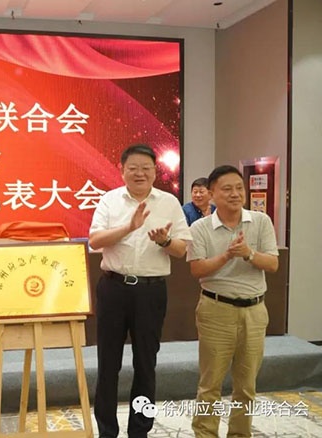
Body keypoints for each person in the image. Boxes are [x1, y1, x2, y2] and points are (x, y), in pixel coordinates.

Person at [89, 144, 192, 438]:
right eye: (133, 168)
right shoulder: (110, 200)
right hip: (113, 288)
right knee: (108, 364)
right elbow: (95, 241)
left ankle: (140, 431)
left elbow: (181, 249)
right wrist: (129, 227)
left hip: (150, 291)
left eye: (146, 168)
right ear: (122, 170)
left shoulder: (169, 202)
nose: (140, 173)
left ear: (155, 172)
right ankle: (107, 431)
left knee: (146, 364)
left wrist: (164, 242)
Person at [187, 165, 278, 438]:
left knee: (246, 387)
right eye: (227, 189)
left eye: (239, 188)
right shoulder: (200, 227)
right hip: (216, 310)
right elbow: (197, 269)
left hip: (254, 311)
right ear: (212, 194)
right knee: (210, 385)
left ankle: (240, 434)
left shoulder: (261, 221)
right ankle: (205, 434)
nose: (235, 194)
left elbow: (272, 264)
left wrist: (248, 253)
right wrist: (227, 255)